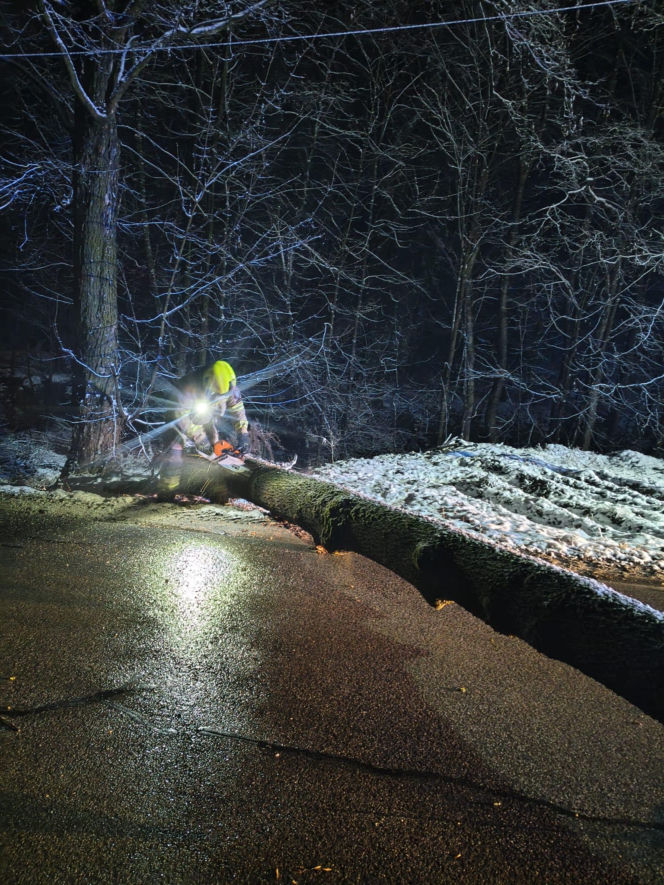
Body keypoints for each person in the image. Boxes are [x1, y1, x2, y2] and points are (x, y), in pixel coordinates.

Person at [175, 359, 251, 456]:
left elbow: (237, 409)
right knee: (175, 447)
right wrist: (200, 438)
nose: (223, 398)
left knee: (213, 439)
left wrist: (243, 433)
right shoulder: (189, 387)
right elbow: (181, 415)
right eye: (219, 395)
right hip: (178, 415)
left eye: (225, 395)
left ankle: (213, 455)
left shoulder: (230, 387)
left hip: (204, 415)